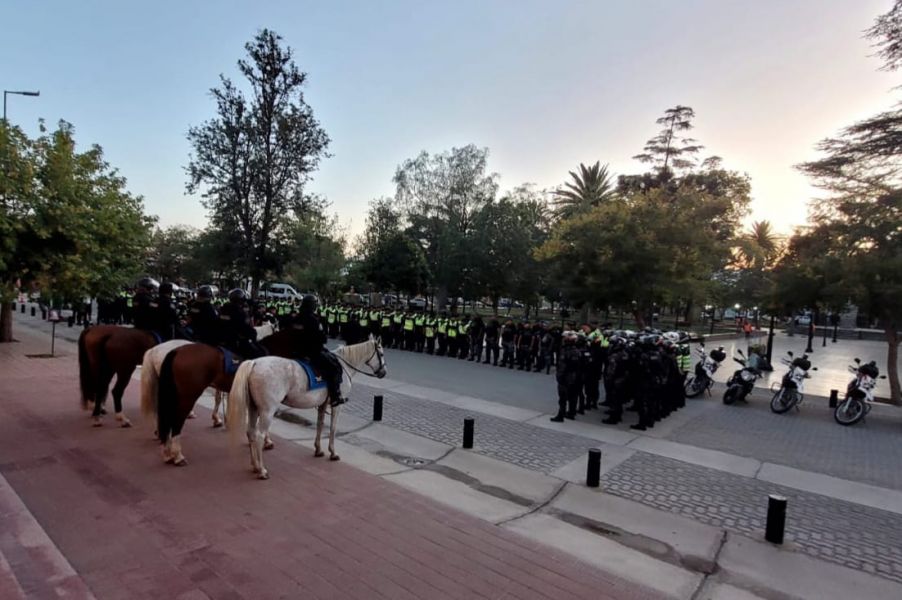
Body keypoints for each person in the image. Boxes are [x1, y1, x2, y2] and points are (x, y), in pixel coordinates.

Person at [294, 295, 346, 407]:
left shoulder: (297, 317)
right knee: (334, 367)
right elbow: (321, 338)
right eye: (314, 304)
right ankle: (335, 396)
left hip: (294, 350)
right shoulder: (313, 319)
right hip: (310, 351)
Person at [219, 289, 265, 358]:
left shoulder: (223, 308)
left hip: (221, 337)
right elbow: (242, 327)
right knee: (257, 354)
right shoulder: (238, 312)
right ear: (241, 300)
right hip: (235, 340)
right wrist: (253, 332)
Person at [551, 331, 581, 422]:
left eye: (565, 338)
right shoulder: (575, 350)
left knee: (563, 397)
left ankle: (561, 415)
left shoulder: (569, 351)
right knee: (571, 396)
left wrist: (560, 376)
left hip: (566, 377)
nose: (563, 340)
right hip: (572, 376)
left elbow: (566, 365)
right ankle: (571, 413)